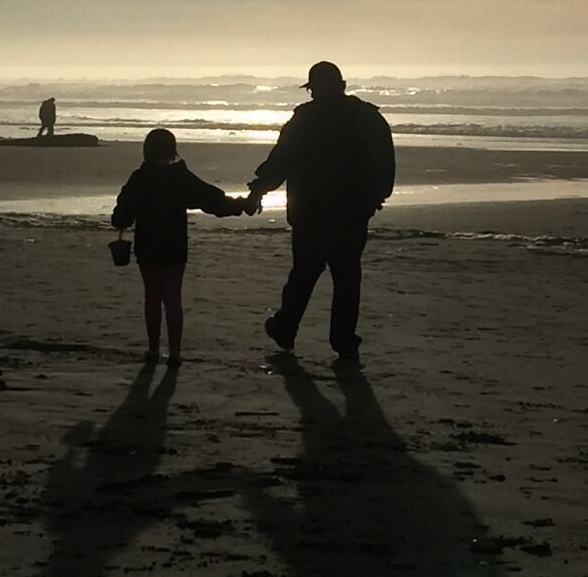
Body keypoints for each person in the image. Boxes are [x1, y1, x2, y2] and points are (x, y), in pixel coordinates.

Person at [245, 61, 395, 361]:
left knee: (304, 273)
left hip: (310, 211)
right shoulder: (368, 117)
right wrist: (376, 196)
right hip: (352, 211)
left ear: (316, 88)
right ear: (341, 84)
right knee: (347, 278)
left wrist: (259, 190)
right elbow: (384, 161)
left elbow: (281, 160)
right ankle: (344, 342)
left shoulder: (306, 118)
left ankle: (286, 328)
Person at [111, 128, 246, 367]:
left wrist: (122, 222)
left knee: (151, 297)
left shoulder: (140, 178)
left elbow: (122, 213)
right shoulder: (180, 177)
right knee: (173, 299)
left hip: (148, 244)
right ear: (172, 149)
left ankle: (153, 350)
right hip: (175, 244)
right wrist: (239, 205)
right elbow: (210, 199)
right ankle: (175, 353)